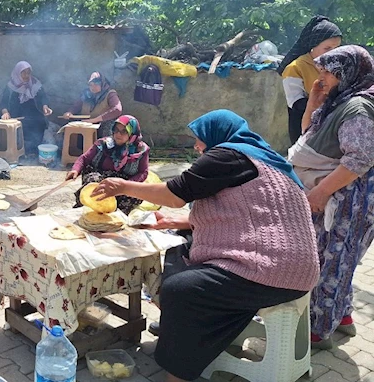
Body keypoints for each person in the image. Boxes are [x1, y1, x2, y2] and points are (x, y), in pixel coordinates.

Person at [93, 110, 319, 382]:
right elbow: (249, 213)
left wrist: (122, 187)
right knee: (180, 248)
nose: (197, 146)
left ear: (217, 136)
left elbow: (174, 194)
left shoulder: (227, 155)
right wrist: (176, 221)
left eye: (199, 139)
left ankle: (178, 368)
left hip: (270, 272)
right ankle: (187, 329)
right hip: (300, 271)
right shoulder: (267, 161)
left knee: (180, 289)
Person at [287, 45, 374, 349]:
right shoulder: (341, 100)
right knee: (338, 259)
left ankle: (318, 329)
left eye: (327, 72)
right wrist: (314, 101)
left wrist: (321, 192)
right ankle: (344, 317)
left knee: (330, 263)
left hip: (348, 200)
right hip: (334, 196)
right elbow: (308, 134)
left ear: (346, 73)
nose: (320, 77)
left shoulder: (359, 109)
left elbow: (359, 159)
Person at [66, 115, 149, 214]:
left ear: (132, 133)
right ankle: (89, 210)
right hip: (101, 177)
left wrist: (125, 185)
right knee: (95, 183)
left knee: (136, 194)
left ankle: (114, 215)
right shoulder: (103, 144)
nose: (118, 134)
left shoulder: (141, 151)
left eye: (124, 131)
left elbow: (143, 172)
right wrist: (75, 170)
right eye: (116, 130)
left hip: (124, 182)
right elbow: (84, 158)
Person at [279, 15, 342, 145]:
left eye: (336, 48)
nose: (333, 53)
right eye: (327, 48)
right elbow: (296, 103)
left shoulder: (338, 66)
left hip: (330, 128)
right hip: (303, 130)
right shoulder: (295, 68)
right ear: (313, 45)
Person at [0, 61, 53, 155]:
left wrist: (45, 106)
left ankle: (33, 151)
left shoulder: (35, 84)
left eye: (28, 72)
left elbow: (43, 97)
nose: (27, 75)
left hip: (34, 116)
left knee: (40, 123)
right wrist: (5, 112)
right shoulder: (10, 86)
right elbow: (4, 102)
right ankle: (19, 152)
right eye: (24, 72)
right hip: (16, 116)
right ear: (18, 73)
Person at [62, 71, 122, 137]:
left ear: (102, 83)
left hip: (102, 126)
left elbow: (117, 110)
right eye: (91, 85)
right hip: (86, 124)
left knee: (108, 125)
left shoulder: (110, 94)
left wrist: (95, 120)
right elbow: (76, 106)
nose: (93, 87)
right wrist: (69, 112)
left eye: (96, 84)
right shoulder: (86, 94)